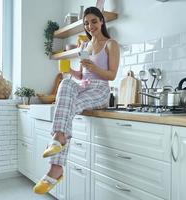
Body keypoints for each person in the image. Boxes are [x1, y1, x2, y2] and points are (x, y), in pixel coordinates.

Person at [33, 6, 120, 194]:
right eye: (86, 23)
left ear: (102, 21)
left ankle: (55, 167)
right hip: (84, 87)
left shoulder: (111, 44)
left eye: (94, 21)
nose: (90, 26)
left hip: (100, 91)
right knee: (65, 83)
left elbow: (111, 75)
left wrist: (93, 68)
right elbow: (82, 75)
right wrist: (70, 71)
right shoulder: (84, 46)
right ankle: (59, 137)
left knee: (71, 105)